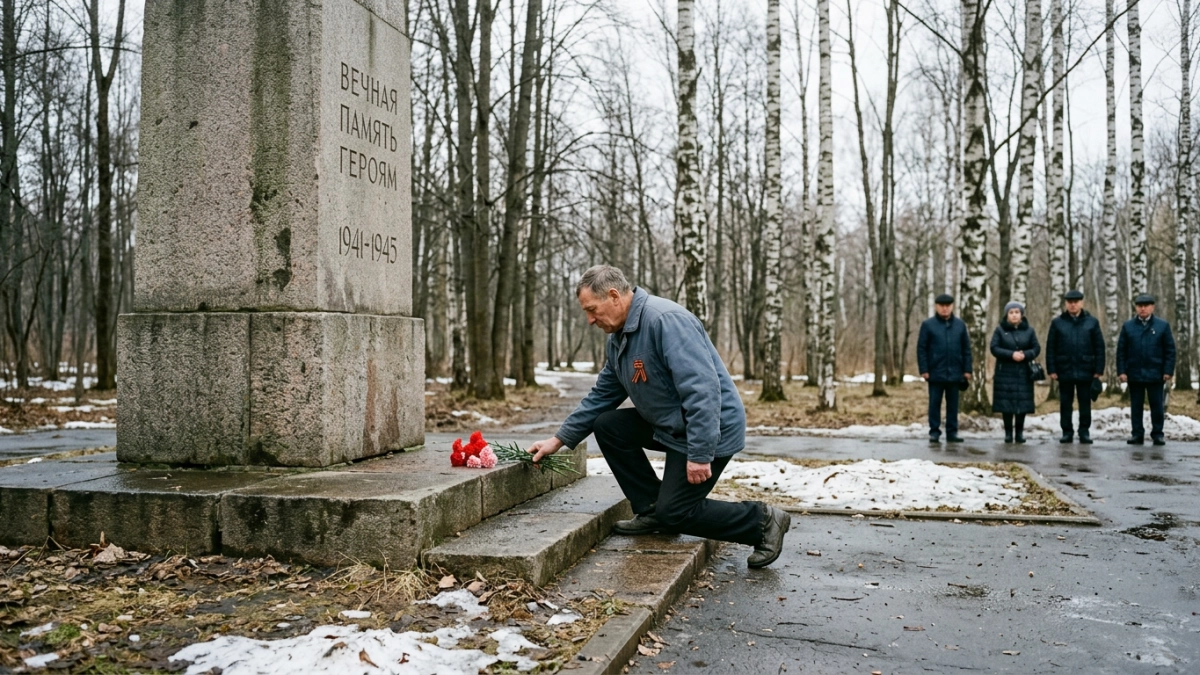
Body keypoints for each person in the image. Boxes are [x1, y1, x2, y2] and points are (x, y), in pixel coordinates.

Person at [526, 265, 791, 568]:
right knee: (608, 425)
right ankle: (651, 509)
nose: (590, 320)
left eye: (592, 310)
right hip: (671, 426)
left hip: (709, 428)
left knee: (676, 512)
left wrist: (700, 453)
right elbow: (602, 395)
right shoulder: (620, 337)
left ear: (614, 296)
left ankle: (761, 521)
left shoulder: (665, 321)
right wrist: (558, 440)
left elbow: (702, 391)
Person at [1045, 289, 1105, 444]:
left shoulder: (1092, 322)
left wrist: (1098, 370)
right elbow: (1051, 347)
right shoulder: (1057, 323)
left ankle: (1084, 431)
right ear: (1066, 304)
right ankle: (1067, 432)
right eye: (1070, 302)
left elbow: (1099, 347)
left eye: (1076, 302)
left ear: (1081, 303)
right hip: (1064, 369)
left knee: (1085, 403)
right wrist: (1052, 369)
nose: (1073, 305)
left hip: (1086, 369)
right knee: (1065, 403)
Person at [1117, 294, 1176, 446]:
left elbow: (1170, 350)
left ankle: (1158, 434)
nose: (1142, 309)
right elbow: (1121, 351)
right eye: (1139, 306)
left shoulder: (1162, 326)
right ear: (1136, 307)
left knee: (1157, 406)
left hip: (1155, 373)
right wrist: (1122, 371)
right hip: (1134, 372)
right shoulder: (1128, 326)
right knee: (1136, 406)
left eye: (1146, 306)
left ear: (1152, 307)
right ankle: (1137, 434)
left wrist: (1168, 370)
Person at [917, 294, 972, 443]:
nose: (945, 308)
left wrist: (967, 370)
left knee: (953, 405)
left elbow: (966, 349)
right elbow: (921, 348)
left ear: (952, 306)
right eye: (942, 306)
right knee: (934, 404)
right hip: (935, 372)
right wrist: (924, 369)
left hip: (955, 372)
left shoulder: (960, 325)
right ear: (936, 306)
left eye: (948, 305)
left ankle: (952, 432)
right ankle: (934, 432)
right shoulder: (928, 325)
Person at [990, 301, 1040, 444]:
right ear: (1007, 315)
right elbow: (994, 348)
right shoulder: (1000, 330)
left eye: (1017, 312)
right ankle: (1008, 433)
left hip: (1024, 372)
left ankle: (1019, 433)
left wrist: (1026, 354)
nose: (1014, 315)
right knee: (1006, 403)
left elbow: (1036, 348)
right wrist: (1011, 354)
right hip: (1005, 372)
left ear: (1021, 315)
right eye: (1011, 312)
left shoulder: (1029, 331)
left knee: (1022, 403)